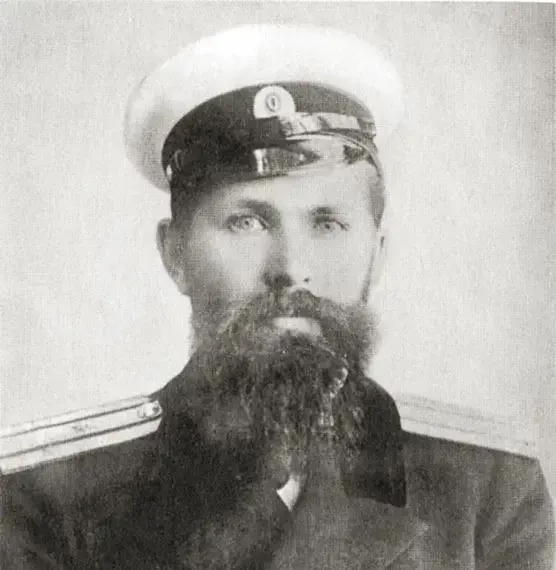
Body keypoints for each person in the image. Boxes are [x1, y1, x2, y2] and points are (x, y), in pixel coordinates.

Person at [1, 25, 553, 569]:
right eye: (246, 222)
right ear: (174, 254)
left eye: (328, 224)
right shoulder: (48, 502)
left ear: (377, 255)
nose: (291, 269)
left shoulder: (489, 490)